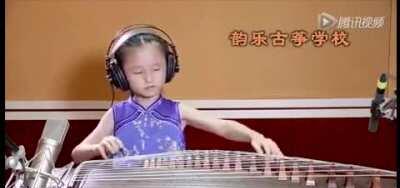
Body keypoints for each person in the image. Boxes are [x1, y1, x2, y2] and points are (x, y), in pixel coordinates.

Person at [71, 24, 283, 164]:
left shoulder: (177, 110)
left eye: (156, 69)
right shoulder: (117, 114)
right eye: (137, 72)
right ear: (120, 75)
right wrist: (97, 147)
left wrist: (254, 136)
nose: (149, 78)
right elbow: (77, 153)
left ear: (170, 67)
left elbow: (222, 126)